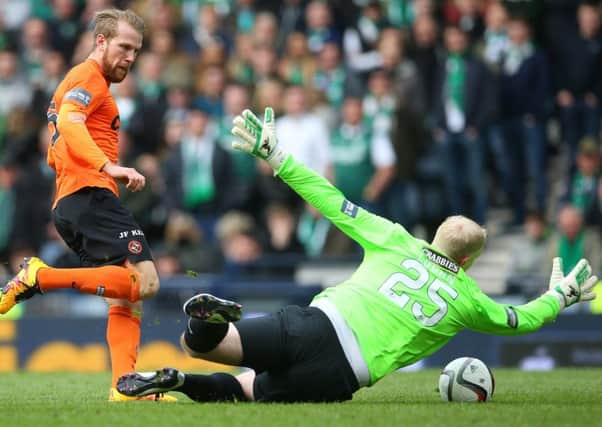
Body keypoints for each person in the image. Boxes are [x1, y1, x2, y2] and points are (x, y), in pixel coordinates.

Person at [117, 108, 597, 403]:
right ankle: (177, 381)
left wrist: (277, 156)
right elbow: (519, 319)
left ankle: (204, 327)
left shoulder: (394, 238)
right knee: (245, 392)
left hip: (314, 321)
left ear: (432, 238)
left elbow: (328, 198)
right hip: (341, 371)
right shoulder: (469, 298)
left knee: (202, 344)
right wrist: (560, 296)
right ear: (468, 262)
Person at [0, 8, 174, 402]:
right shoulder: (86, 78)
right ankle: (39, 278)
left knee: (125, 296)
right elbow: (72, 123)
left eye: (136, 51)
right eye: (124, 47)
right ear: (101, 41)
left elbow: (59, 140)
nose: (130, 57)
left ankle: (124, 387)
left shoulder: (88, 83)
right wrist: (107, 164)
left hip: (76, 198)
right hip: (88, 194)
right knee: (146, 283)